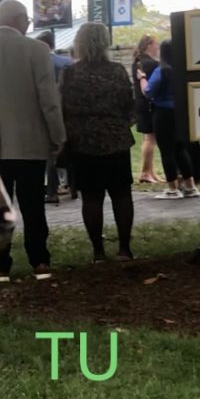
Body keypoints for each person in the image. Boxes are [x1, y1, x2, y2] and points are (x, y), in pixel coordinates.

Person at [0, 0, 66, 282]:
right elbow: (49, 100)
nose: (29, 25)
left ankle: (0, 265)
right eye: (28, 21)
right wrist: (58, 136)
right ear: (20, 19)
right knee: (33, 204)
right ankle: (40, 260)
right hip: (30, 142)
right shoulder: (37, 51)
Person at [59, 23, 136, 263]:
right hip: (115, 140)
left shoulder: (70, 74)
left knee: (91, 198)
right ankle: (124, 248)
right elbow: (129, 105)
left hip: (82, 142)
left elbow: (63, 108)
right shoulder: (117, 71)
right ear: (105, 42)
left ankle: (98, 252)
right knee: (121, 194)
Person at [140, 40, 200, 199]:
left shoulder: (162, 71)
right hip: (180, 112)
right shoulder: (182, 70)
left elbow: (148, 92)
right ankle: (190, 186)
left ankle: (172, 188)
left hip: (163, 113)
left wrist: (142, 78)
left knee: (167, 151)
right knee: (181, 149)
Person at [35, 30, 74, 205]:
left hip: (44, 110)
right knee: (69, 149)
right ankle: (74, 186)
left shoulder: (37, 62)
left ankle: (51, 190)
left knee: (49, 153)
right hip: (66, 109)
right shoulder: (66, 62)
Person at [132, 35, 163, 184]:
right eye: (156, 44)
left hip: (141, 104)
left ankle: (150, 171)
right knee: (150, 139)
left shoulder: (138, 62)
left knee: (149, 138)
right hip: (149, 104)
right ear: (149, 45)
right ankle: (145, 172)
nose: (157, 47)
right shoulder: (152, 64)